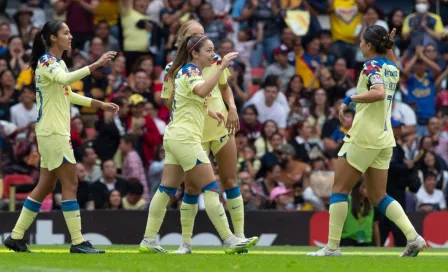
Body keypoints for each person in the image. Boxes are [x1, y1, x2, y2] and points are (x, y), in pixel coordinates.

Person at [308, 26, 426, 257]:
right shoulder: (392, 68)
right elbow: (390, 66)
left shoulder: (370, 65)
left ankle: (332, 247)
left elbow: (379, 92)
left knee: (339, 189)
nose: (360, 45)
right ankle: (413, 238)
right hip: (384, 138)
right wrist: (389, 46)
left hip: (364, 135)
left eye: (362, 41)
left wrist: (348, 99)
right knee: (377, 196)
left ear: (369, 45)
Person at [4, 20, 118, 254]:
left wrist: (99, 104)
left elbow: (68, 94)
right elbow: (66, 82)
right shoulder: (47, 61)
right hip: (54, 131)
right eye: (66, 32)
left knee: (45, 185)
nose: (71, 36)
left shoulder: (57, 63)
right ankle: (77, 242)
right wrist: (96, 63)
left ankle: (15, 237)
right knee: (71, 183)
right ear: (53, 38)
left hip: (50, 131)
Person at [139, 34, 256, 255]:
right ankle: (229, 239)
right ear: (194, 52)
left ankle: (148, 239)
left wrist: (211, 111)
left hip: (174, 136)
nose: (213, 54)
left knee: (166, 189)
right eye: (209, 50)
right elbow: (202, 91)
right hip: (186, 138)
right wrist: (221, 68)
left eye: (214, 50)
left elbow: (189, 100)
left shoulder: (187, 72)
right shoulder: (190, 70)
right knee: (211, 187)